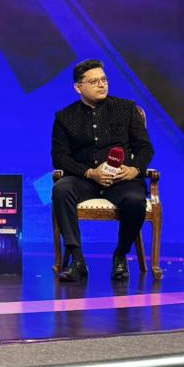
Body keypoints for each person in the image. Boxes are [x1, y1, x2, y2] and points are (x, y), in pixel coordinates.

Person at [52, 59, 154, 282]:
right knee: (61, 189)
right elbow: (59, 157)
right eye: (94, 81)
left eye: (104, 80)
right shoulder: (65, 117)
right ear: (78, 87)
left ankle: (120, 255)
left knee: (135, 200)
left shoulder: (126, 109)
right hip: (85, 179)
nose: (102, 85)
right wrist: (90, 173)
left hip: (122, 180)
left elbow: (145, 148)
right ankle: (77, 260)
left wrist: (134, 169)